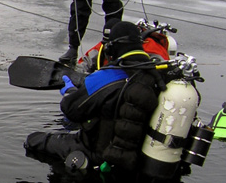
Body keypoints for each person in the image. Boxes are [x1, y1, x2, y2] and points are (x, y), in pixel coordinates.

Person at [26, 21, 163, 173]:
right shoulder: (157, 76)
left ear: (112, 47)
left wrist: (69, 91)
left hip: (97, 153)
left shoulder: (105, 77)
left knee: (33, 140)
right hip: (137, 158)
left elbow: (70, 110)